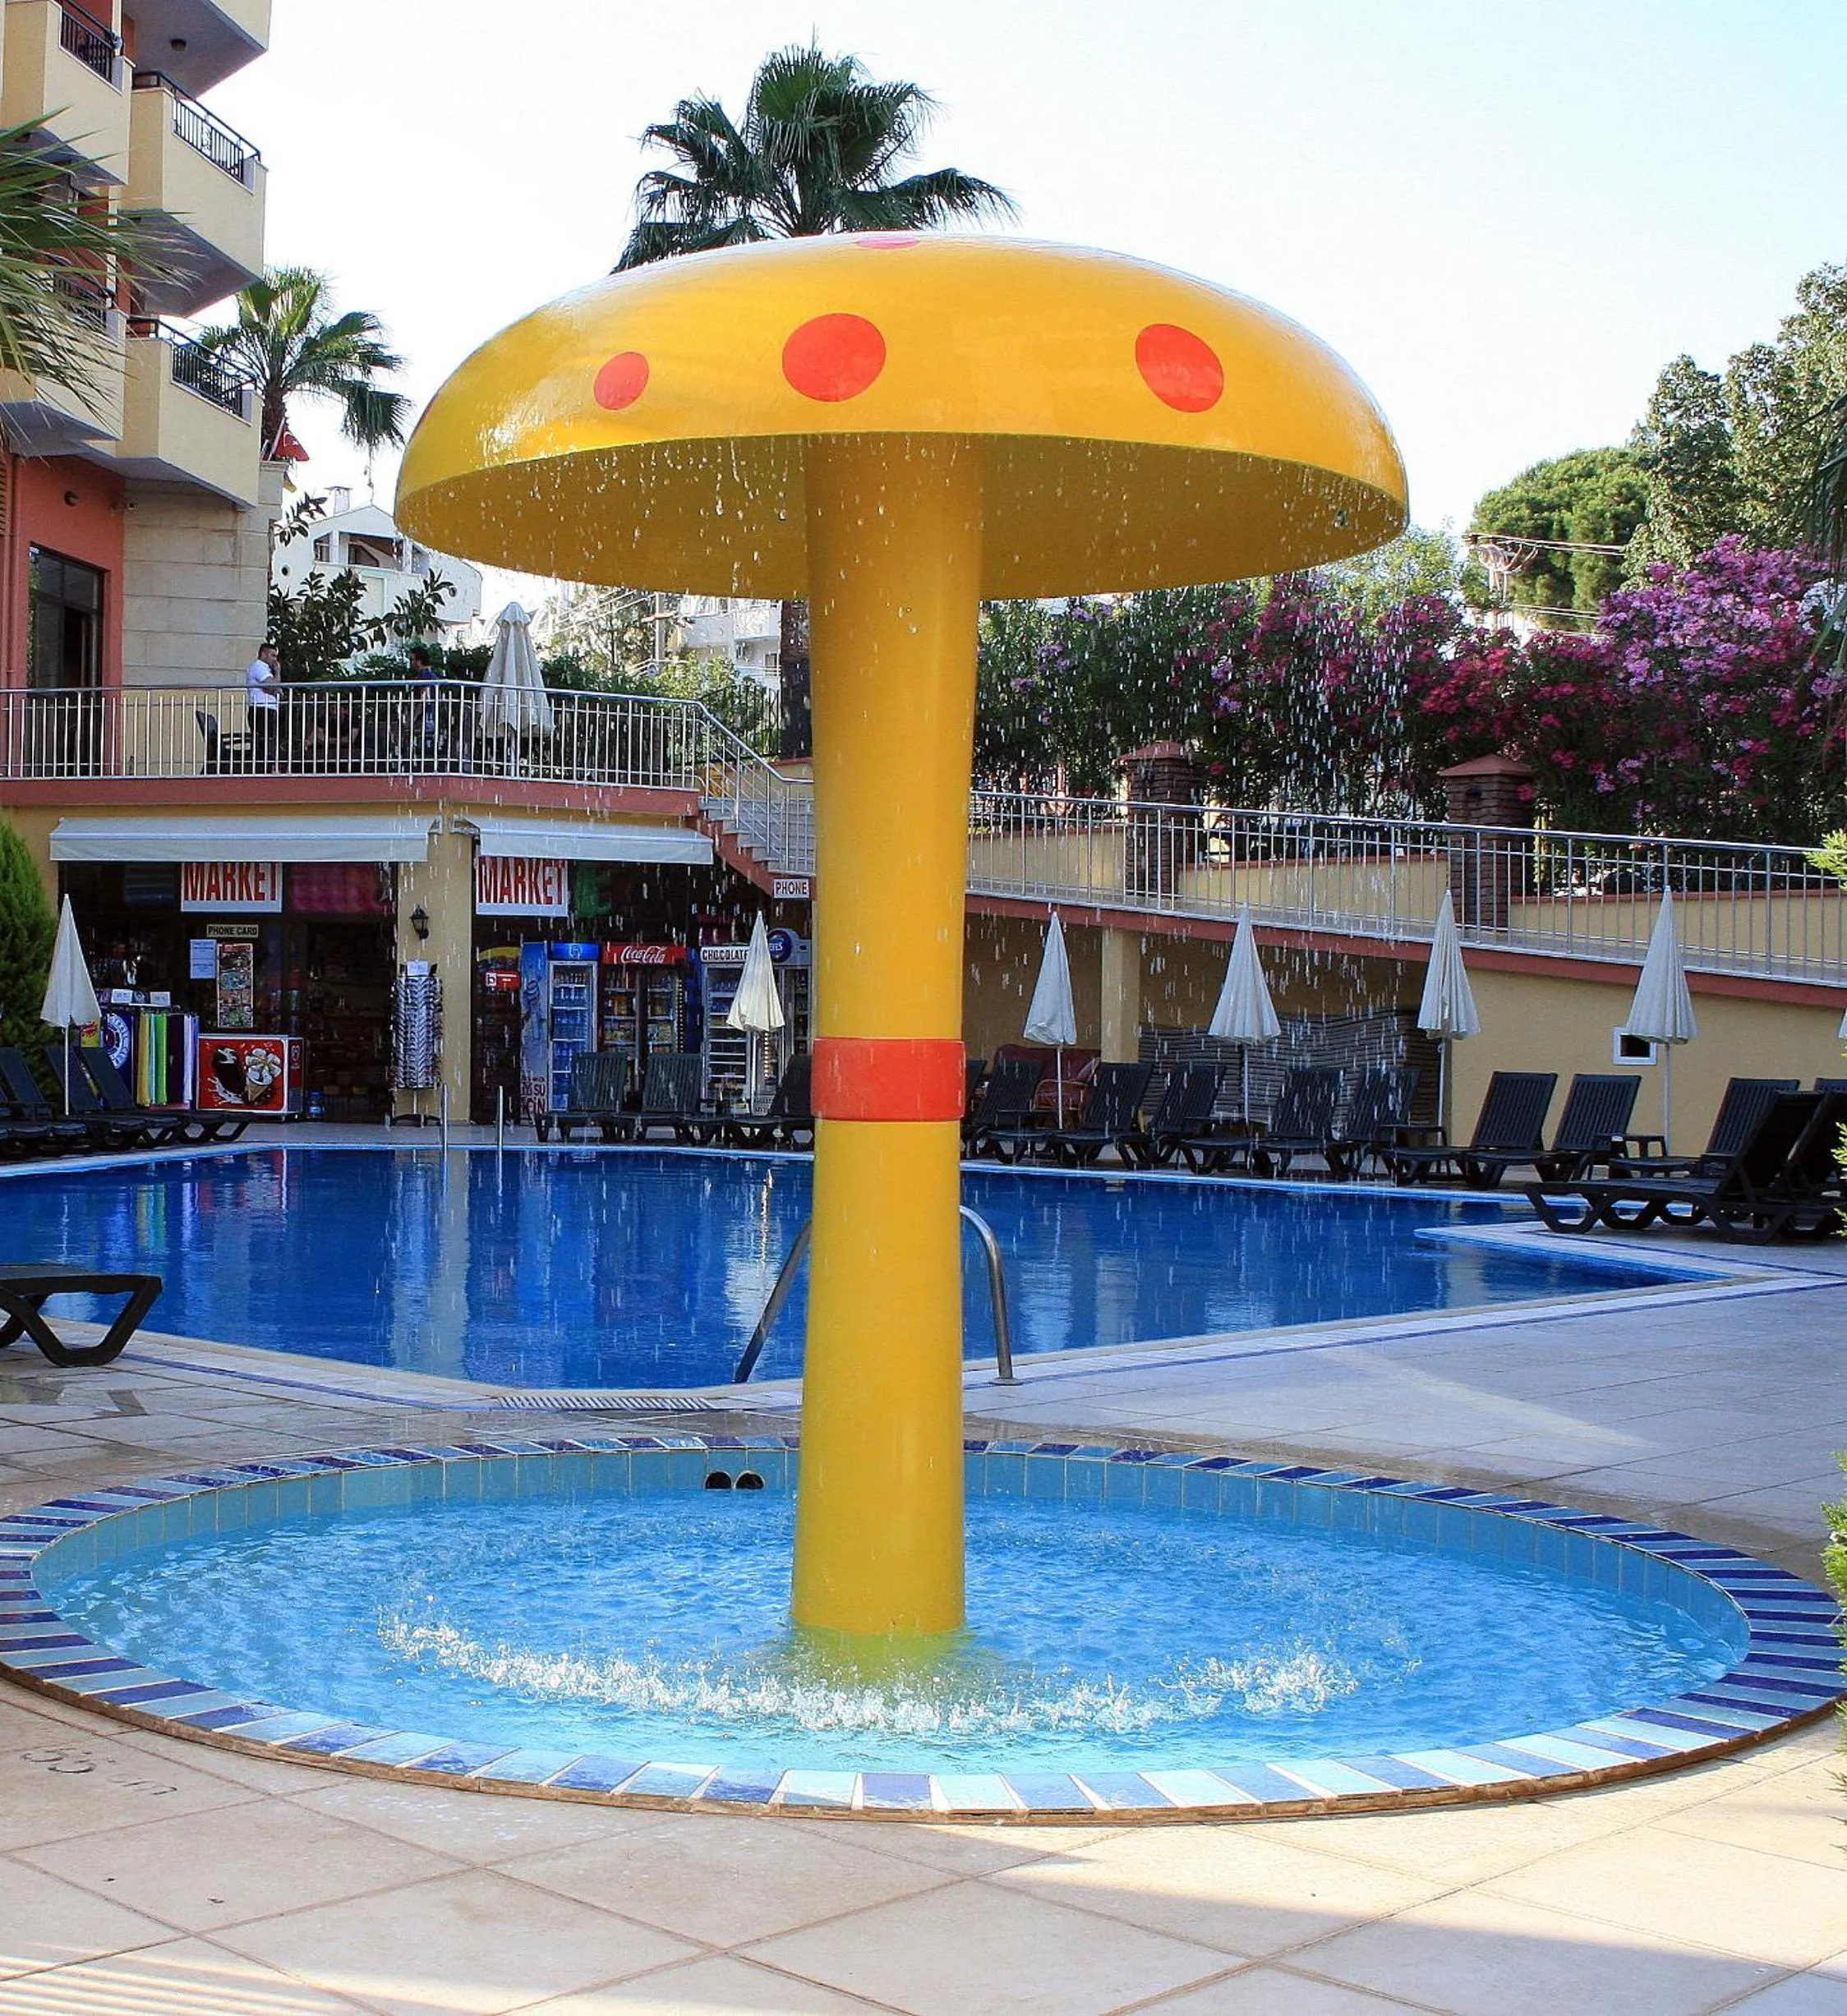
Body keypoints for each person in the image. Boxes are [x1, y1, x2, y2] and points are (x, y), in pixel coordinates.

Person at [245, 643, 281, 769]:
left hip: (267, 709)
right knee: (262, 741)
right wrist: (278, 673)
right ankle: (260, 767)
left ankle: (264, 766)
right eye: (273, 655)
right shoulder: (259, 666)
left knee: (267, 741)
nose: (275, 659)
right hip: (261, 709)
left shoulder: (265, 669)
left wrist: (275, 686)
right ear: (264, 654)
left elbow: (275, 688)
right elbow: (272, 686)